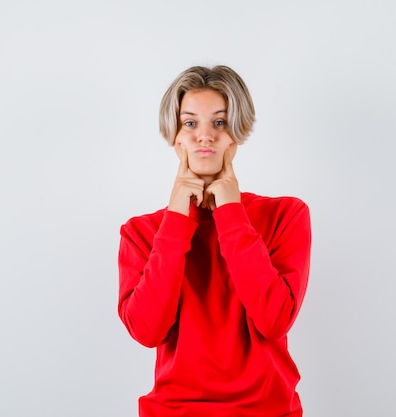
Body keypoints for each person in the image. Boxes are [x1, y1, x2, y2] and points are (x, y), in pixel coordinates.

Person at [117, 65, 311, 417]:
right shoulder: (141, 232)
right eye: (190, 123)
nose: (204, 136)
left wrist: (232, 212)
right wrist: (177, 219)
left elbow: (275, 319)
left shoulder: (286, 215)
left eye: (219, 123)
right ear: (173, 135)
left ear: (237, 133)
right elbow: (147, 330)